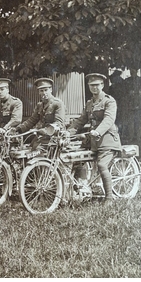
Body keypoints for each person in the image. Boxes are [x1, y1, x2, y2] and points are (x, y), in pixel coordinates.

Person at [68, 73, 122, 201]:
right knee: (76, 159)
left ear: (102, 85)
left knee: (102, 165)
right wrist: (68, 132)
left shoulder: (109, 101)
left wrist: (98, 131)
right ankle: (81, 189)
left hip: (107, 140)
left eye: (97, 85)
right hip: (93, 141)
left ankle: (109, 197)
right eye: (91, 85)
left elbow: (109, 119)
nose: (94, 88)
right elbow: (81, 120)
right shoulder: (89, 103)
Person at [14, 77, 65, 146]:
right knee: (28, 148)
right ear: (39, 92)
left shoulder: (58, 103)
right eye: (41, 90)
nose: (44, 93)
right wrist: (18, 129)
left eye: (46, 90)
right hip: (42, 135)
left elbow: (58, 123)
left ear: (51, 90)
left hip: (55, 137)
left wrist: (45, 130)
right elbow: (32, 120)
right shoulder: (39, 105)